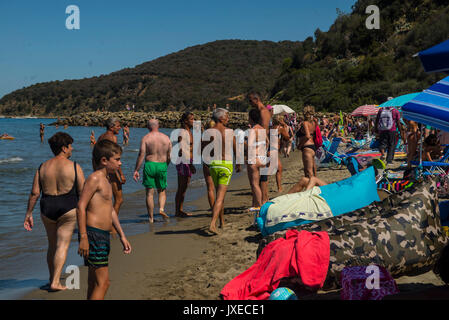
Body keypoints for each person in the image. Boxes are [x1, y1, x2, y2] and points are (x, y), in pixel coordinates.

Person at [24, 132, 85, 291]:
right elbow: (83, 192)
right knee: (62, 245)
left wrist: (28, 214)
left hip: (47, 207)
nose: (72, 149)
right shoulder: (74, 166)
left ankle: (52, 277)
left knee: (52, 245)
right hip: (67, 207)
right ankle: (55, 282)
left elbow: (35, 193)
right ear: (64, 148)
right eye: (70, 146)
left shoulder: (42, 166)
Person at [77, 140, 131, 300]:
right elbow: (80, 206)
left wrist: (122, 235)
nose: (120, 163)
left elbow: (111, 211)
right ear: (104, 161)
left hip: (101, 235)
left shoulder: (107, 179)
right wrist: (84, 237)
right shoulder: (94, 179)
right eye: (118, 159)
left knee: (94, 281)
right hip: (93, 235)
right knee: (104, 283)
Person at [207, 108, 241, 234]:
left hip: (213, 165)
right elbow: (235, 149)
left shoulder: (209, 132)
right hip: (226, 165)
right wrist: (238, 163)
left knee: (219, 195)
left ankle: (222, 222)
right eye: (227, 116)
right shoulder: (229, 132)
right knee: (220, 197)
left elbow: (202, 150)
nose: (228, 118)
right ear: (220, 118)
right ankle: (212, 224)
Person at [133, 119, 172, 223]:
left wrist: (136, 169)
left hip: (150, 165)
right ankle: (161, 209)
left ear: (148, 127)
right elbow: (169, 156)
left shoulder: (146, 138)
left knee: (150, 193)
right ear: (158, 126)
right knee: (162, 191)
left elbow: (141, 154)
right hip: (162, 165)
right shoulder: (166, 138)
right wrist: (166, 165)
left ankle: (150, 218)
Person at [97, 118, 126, 219]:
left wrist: (96, 171)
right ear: (111, 127)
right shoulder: (112, 138)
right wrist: (121, 174)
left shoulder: (101, 137)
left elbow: (95, 155)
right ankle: (112, 226)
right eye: (118, 126)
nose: (120, 128)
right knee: (119, 199)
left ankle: (103, 222)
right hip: (111, 171)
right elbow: (115, 158)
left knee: (105, 200)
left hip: (101, 171)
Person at [247, 91, 272, 204]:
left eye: (250, 100)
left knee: (263, 176)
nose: (249, 102)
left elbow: (265, 130)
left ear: (256, 100)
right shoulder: (259, 111)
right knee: (261, 175)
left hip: (263, 145)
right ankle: (260, 200)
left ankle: (264, 199)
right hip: (262, 144)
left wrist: (267, 149)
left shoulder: (263, 111)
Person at [175, 111, 197, 217]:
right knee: (182, 187)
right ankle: (178, 211)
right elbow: (183, 150)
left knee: (184, 187)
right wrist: (191, 165)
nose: (193, 121)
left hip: (188, 161)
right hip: (184, 161)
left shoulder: (189, 132)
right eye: (191, 119)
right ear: (185, 121)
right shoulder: (183, 132)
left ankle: (180, 209)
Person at [246, 109, 268, 208]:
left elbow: (249, 146)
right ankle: (258, 204)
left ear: (250, 118)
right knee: (259, 183)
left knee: (254, 185)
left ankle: (259, 206)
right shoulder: (262, 129)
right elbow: (267, 142)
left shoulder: (253, 130)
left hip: (254, 158)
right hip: (262, 158)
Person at [297, 105, 317, 178]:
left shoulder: (305, 123)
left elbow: (307, 136)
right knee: (313, 168)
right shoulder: (314, 122)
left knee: (308, 171)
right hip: (313, 146)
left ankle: (312, 187)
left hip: (306, 147)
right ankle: (314, 184)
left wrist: (300, 145)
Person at [202, 119, 216, 211]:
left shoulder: (204, 138)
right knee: (219, 188)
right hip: (217, 162)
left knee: (210, 188)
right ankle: (218, 207)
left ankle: (212, 208)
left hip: (207, 162)